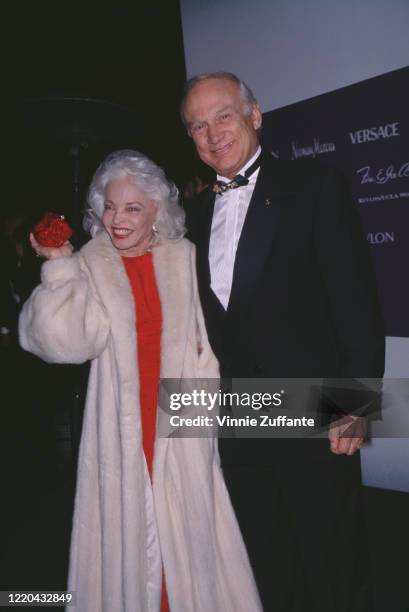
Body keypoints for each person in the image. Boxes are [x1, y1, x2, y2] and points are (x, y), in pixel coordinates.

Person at [19, 150, 262, 612]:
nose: (118, 218)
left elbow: (213, 342)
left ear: (157, 211)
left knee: (190, 534)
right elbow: (66, 344)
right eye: (109, 206)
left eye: (132, 207)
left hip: (183, 422)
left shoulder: (187, 258)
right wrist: (59, 268)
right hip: (121, 429)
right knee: (132, 536)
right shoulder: (90, 261)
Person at [181, 72, 385, 611]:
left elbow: (356, 304)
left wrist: (356, 405)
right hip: (240, 422)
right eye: (197, 125)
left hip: (315, 418)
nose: (212, 133)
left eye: (223, 115)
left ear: (255, 114)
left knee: (334, 566)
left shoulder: (314, 186)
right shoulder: (194, 217)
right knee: (268, 567)